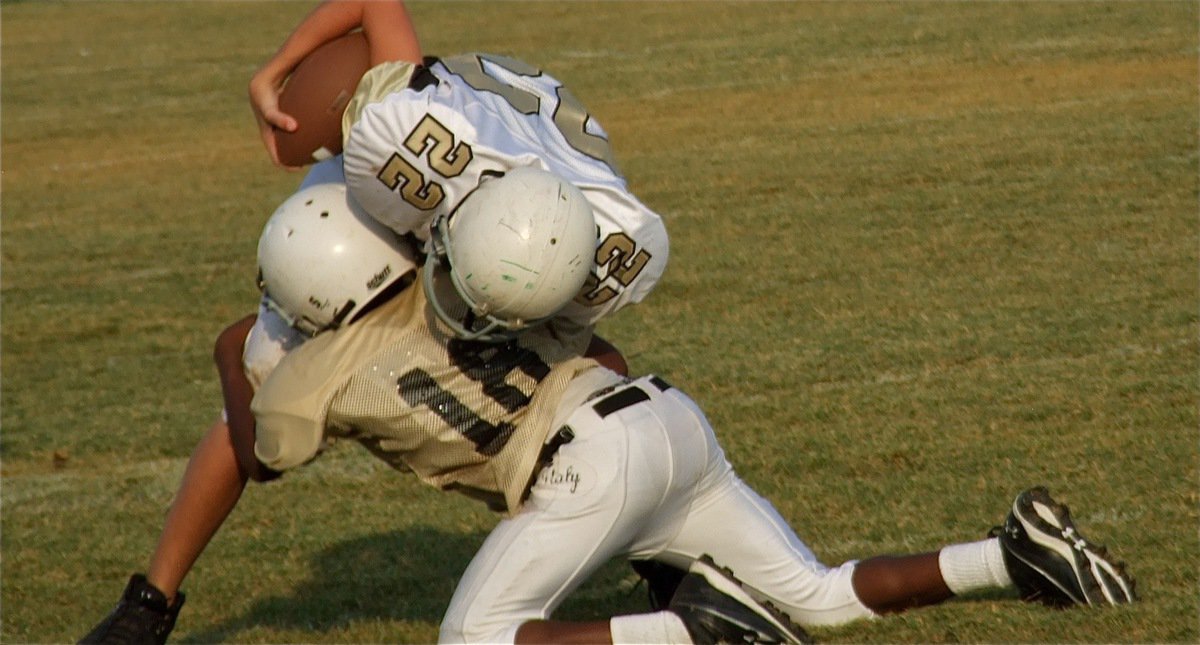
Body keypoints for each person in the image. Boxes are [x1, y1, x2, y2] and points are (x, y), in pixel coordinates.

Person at [88, 169, 1134, 644]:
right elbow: (606, 339)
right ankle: (1011, 557)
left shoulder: (311, 372)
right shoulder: (452, 274)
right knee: (813, 597)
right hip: (662, 418)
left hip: (585, 473)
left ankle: (692, 632)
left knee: (480, 641)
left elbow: (258, 451)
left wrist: (235, 348)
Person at [249, 0, 670, 333]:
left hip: (526, 151)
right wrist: (270, 76)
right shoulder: (395, 133)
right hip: (490, 128)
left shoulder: (614, 257)